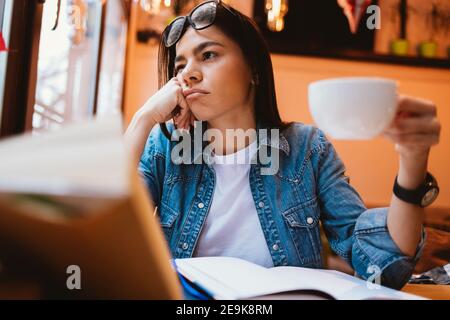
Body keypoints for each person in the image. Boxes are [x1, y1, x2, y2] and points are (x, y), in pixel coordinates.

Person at [124, 0, 441, 289]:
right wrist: (143, 118)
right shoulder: (164, 148)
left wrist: (413, 160)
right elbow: (107, 227)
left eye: (208, 55)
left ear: (254, 71)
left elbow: (382, 266)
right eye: (180, 66)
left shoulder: (306, 149)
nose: (188, 74)